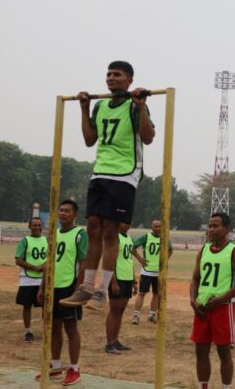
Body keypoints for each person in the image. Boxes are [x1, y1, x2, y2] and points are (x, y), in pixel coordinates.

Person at [60, 61, 154, 310]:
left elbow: (148, 138)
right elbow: (90, 140)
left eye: (117, 75)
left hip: (124, 174)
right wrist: (84, 109)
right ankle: (87, 287)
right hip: (100, 172)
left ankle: (102, 290)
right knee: (93, 229)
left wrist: (141, 107)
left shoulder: (134, 105)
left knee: (112, 231)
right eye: (108, 74)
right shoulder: (101, 105)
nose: (111, 78)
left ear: (129, 80)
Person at [190, 213, 235, 389]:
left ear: (226, 229)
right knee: (200, 351)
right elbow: (195, 279)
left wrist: (221, 299)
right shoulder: (203, 250)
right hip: (201, 309)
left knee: (223, 352)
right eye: (209, 226)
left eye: (215, 226)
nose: (211, 230)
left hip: (223, 309)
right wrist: (193, 301)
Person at [36, 199, 88, 385]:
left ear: (75, 215)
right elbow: (49, 263)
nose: (63, 213)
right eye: (61, 210)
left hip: (69, 286)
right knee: (53, 327)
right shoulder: (54, 234)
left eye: (67, 211)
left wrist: (78, 289)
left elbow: (83, 264)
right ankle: (56, 367)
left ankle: (74, 368)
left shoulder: (80, 234)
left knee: (71, 328)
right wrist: (42, 286)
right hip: (52, 287)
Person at [131, 220, 173, 324]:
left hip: (159, 272)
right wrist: (140, 259)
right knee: (141, 293)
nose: (158, 228)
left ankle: (152, 315)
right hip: (147, 271)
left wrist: (165, 261)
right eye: (155, 226)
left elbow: (171, 249)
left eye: (159, 226)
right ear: (151, 227)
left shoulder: (165, 238)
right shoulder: (146, 237)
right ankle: (136, 315)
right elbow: (133, 247)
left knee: (156, 294)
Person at [105, 223, 137, 354]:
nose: (128, 225)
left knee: (121, 311)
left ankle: (115, 340)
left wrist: (134, 280)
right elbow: (109, 260)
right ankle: (109, 343)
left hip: (127, 278)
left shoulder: (128, 238)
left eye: (129, 223)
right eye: (125, 222)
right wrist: (113, 282)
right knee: (114, 311)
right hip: (117, 279)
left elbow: (129, 260)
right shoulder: (115, 237)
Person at [14, 217, 48, 342]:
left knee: (46, 305)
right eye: (34, 225)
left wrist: (45, 266)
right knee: (27, 305)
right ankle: (28, 332)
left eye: (39, 225)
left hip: (44, 279)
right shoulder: (25, 241)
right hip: (27, 278)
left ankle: (47, 330)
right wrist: (35, 268)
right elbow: (18, 259)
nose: (37, 227)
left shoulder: (47, 240)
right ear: (29, 227)